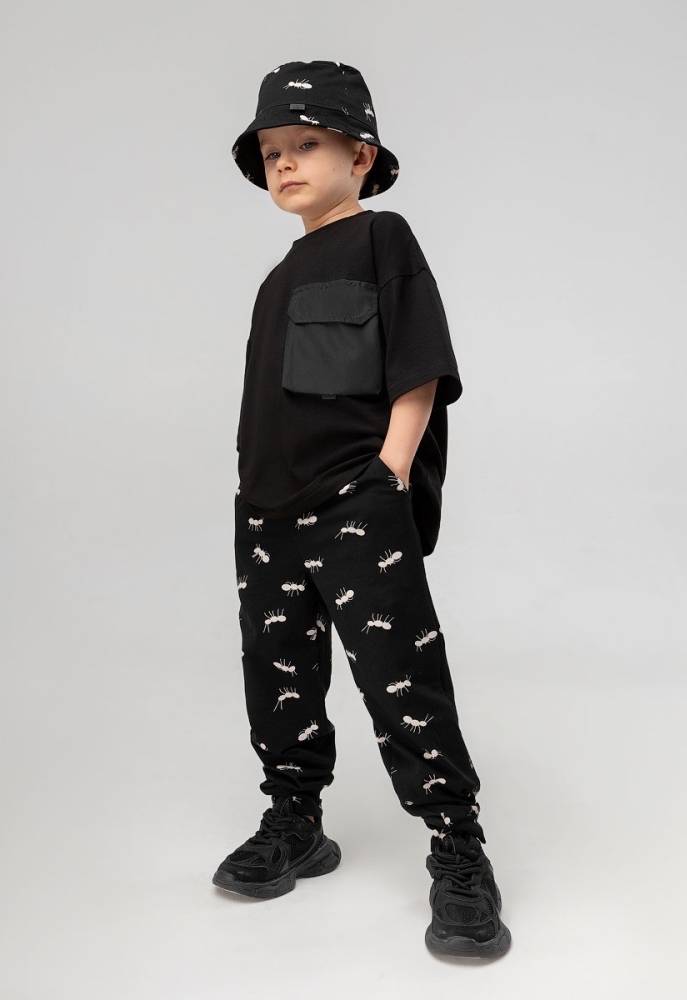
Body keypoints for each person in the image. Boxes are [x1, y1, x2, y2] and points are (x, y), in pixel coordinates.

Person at [212, 60, 511, 959]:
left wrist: (389, 473)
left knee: (399, 675)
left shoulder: (385, 239)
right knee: (276, 672)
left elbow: (419, 365)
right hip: (266, 508)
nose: (284, 162)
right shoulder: (276, 278)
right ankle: (295, 820)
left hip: (355, 498)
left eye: (306, 143)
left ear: (361, 156)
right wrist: (251, 490)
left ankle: (459, 850)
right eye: (272, 149)